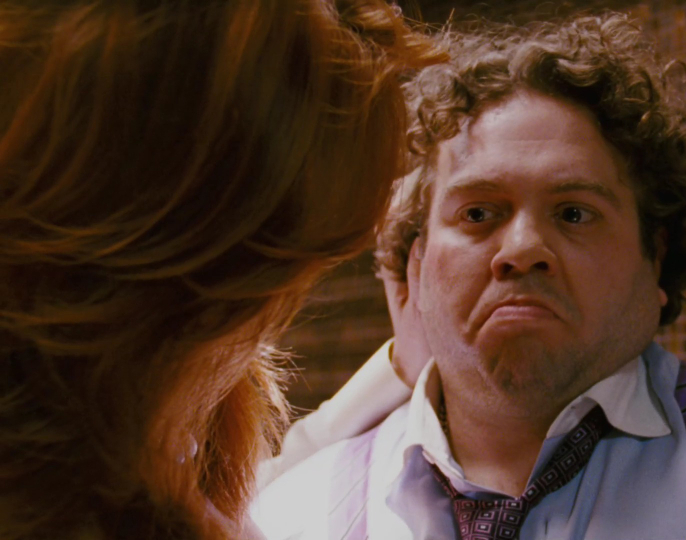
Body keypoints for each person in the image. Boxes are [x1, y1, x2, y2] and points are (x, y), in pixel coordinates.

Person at [252, 12, 686, 540]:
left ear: (656, 258)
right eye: (478, 213)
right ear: (415, 271)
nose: (522, 249)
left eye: (574, 213)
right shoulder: (295, 511)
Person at [0, 1, 444, 538]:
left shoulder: (167, 418)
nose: (273, 316)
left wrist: (399, 368)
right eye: (284, 270)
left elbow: (264, 489)